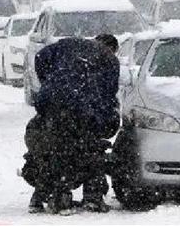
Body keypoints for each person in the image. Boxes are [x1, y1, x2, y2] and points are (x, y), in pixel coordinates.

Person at [22, 34, 120, 215]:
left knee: (53, 149)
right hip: (81, 107)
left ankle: (42, 196)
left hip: (49, 102)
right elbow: (109, 96)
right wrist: (106, 120)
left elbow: (40, 57)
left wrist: (50, 82)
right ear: (113, 49)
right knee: (92, 149)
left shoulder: (69, 43)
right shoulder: (110, 59)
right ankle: (92, 197)